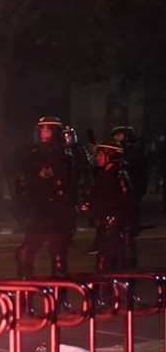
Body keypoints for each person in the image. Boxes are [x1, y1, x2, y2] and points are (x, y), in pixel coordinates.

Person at [13, 116, 78, 278]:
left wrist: (55, 174)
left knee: (57, 253)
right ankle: (25, 292)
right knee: (26, 251)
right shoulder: (33, 151)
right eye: (41, 128)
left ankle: (59, 297)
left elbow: (73, 177)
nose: (43, 131)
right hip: (39, 209)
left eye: (47, 128)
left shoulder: (65, 152)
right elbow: (22, 174)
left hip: (59, 209)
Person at [80, 142, 136, 272]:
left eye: (100, 154)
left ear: (109, 156)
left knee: (107, 261)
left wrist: (113, 219)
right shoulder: (106, 173)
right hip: (106, 224)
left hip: (113, 225)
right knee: (107, 259)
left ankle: (105, 289)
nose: (97, 158)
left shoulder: (118, 174)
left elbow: (125, 200)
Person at [111, 125, 147, 267]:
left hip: (132, 190)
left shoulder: (135, 149)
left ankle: (129, 263)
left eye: (118, 135)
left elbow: (131, 166)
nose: (116, 138)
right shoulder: (128, 149)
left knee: (129, 230)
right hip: (127, 191)